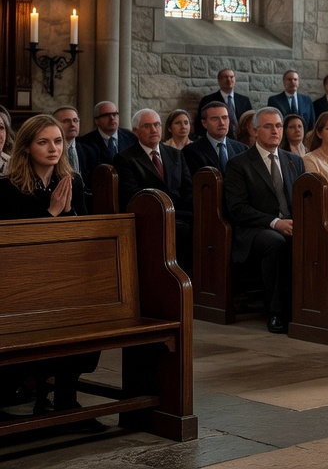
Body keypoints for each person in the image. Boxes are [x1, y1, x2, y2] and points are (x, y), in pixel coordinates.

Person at [0, 115, 97, 429]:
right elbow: (12, 243)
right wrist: (51, 212)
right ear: (27, 147)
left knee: (89, 318)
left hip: (65, 276)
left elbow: (85, 233)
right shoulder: (8, 187)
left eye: (58, 141)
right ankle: (31, 392)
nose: (53, 148)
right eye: (43, 142)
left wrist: (68, 212)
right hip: (20, 283)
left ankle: (65, 397)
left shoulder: (74, 181)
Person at [223, 108, 304, 334]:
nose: (275, 131)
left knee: (317, 239)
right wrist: (274, 222)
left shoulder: (294, 161)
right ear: (255, 130)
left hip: (291, 225)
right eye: (268, 126)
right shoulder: (239, 164)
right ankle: (276, 312)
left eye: (278, 126)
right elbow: (238, 209)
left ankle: (309, 309)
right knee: (275, 241)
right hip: (254, 230)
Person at [113, 108, 196, 269]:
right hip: (150, 216)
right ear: (135, 131)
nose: (153, 130)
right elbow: (132, 195)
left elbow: (188, 188)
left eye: (157, 125)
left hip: (180, 214)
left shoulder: (175, 154)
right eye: (147, 126)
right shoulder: (125, 158)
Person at [182, 101, 248, 172]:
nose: (222, 123)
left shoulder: (242, 149)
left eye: (224, 118)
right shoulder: (191, 151)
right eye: (215, 119)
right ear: (204, 123)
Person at [196, 69, 253, 138]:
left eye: (231, 77)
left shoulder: (244, 100)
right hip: (217, 139)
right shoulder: (208, 100)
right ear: (219, 80)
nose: (229, 80)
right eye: (225, 77)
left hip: (242, 141)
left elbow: (250, 122)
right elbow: (200, 124)